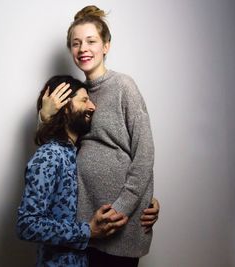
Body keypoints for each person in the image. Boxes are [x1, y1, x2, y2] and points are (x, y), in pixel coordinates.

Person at [39, 6, 159, 267]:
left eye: (91, 41)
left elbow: (144, 153)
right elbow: (53, 151)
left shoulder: (123, 86)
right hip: (86, 222)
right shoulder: (74, 95)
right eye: (76, 43)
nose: (83, 48)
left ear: (106, 46)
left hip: (119, 223)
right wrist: (45, 117)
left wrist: (125, 208)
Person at [16, 75, 128, 267]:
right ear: (66, 108)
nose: (93, 107)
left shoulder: (78, 154)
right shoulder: (49, 156)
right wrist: (87, 231)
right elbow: (27, 224)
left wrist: (145, 199)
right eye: (84, 100)